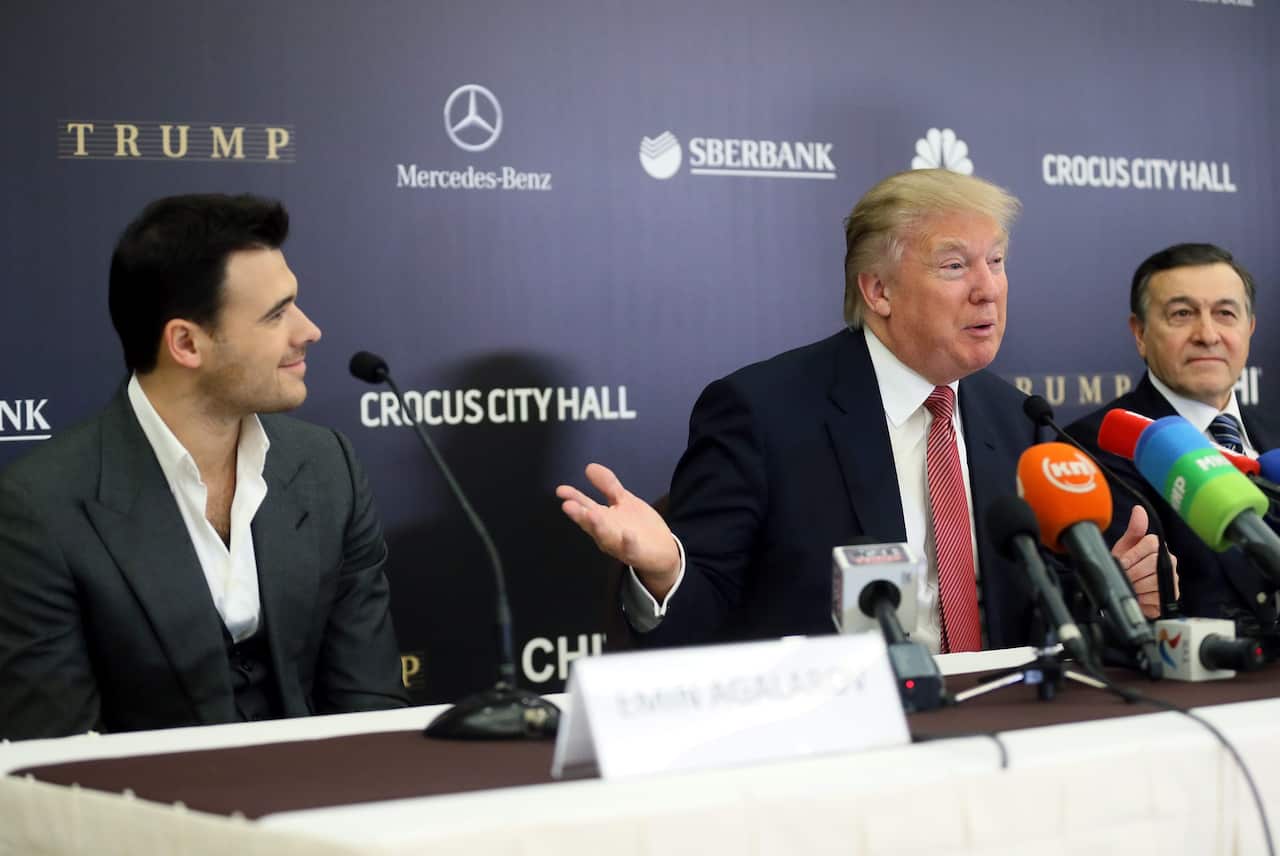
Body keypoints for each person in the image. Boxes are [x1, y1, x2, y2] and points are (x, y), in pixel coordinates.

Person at [558, 169, 1161, 651]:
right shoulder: (762, 413)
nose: (989, 288)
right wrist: (665, 574)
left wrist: (1107, 591)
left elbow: (1036, 617)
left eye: (996, 261)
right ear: (879, 292)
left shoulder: (1018, 418)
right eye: (955, 266)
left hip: (998, 723)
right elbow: (702, 618)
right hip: (832, 739)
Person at [0, 193, 408, 740]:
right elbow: (58, 761)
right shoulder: (40, 508)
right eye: (276, 314)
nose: (309, 330)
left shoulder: (327, 467)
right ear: (187, 343)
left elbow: (370, 706)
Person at [1068, 243, 1277, 636]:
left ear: (1249, 328)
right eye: (1182, 314)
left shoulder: (1274, 438)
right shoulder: (1099, 446)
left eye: (1225, 314)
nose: (1207, 334)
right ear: (1140, 333)